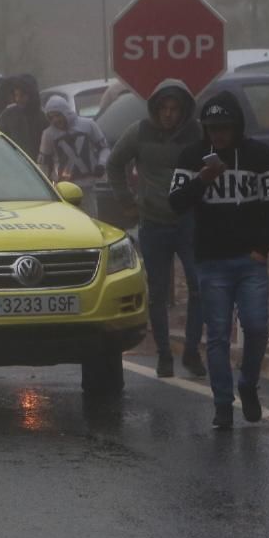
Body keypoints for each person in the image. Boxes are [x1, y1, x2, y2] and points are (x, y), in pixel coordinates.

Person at [168, 92, 269, 431]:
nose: (218, 135)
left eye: (225, 128)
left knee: (257, 326)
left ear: (237, 127)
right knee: (217, 335)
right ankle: (222, 404)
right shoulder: (192, 156)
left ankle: (248, 383)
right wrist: (202, 179)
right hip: (211, 261)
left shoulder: (259, 155)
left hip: (250, 260)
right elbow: (175, 202)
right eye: (212, 128)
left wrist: (263, 248)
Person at [106, 80, 206, 379]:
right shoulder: (139, 131)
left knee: (199, 287)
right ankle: (164, 354)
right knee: (158, 292)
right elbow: (114, 164)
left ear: (184, 110)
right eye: (163, 108)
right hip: (152, 222)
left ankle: (191, 351)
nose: (169, 115)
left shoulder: (197, 133)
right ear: (155, 108)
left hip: (189, 221)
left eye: (175, 109)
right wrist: (126, 201)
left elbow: (217, 165)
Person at [37, 94, 109, 199]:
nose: (55, 120)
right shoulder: (48, 134)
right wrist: (45, 184)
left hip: (89, 184)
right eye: (51, 117)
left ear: (66, 112)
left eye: (58, 115)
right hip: (64, 188)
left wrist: (101, 164)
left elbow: (104, 148)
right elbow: (43, 163)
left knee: (89, 214)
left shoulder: (88, 125)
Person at [0, 74, 47, 155]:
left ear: (31, 95)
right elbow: (1, 144)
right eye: (16, 95)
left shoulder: (42, 117)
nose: (18, 99)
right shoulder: (7, 116)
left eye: (22, 95)